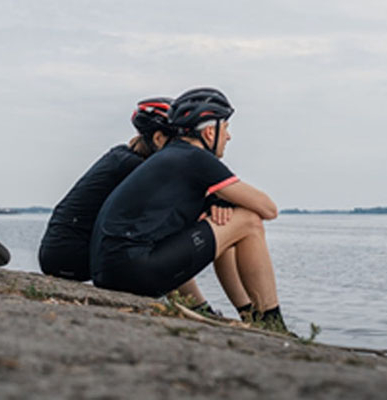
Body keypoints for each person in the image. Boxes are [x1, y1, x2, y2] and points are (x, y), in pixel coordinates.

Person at [90, 88, 289, 332]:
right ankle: (271, 322)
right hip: (134, 271)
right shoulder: (195, 159)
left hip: (111, 271)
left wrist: (219, 209)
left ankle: (248, 313)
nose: (229, 137)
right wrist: (229, 204)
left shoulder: (170, 157)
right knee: (248, 220)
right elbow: (268, 209)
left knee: (228, 223)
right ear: (209, 131)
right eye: (226, 128)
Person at [38, 97, 225, 314]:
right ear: (158, 138)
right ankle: (199, 306)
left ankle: (198, 305)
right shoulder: (134, 167)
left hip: (58, 254)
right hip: (70, 258)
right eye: (175, 143)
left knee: (160, 230)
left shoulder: (122, 157)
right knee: (165, 235)